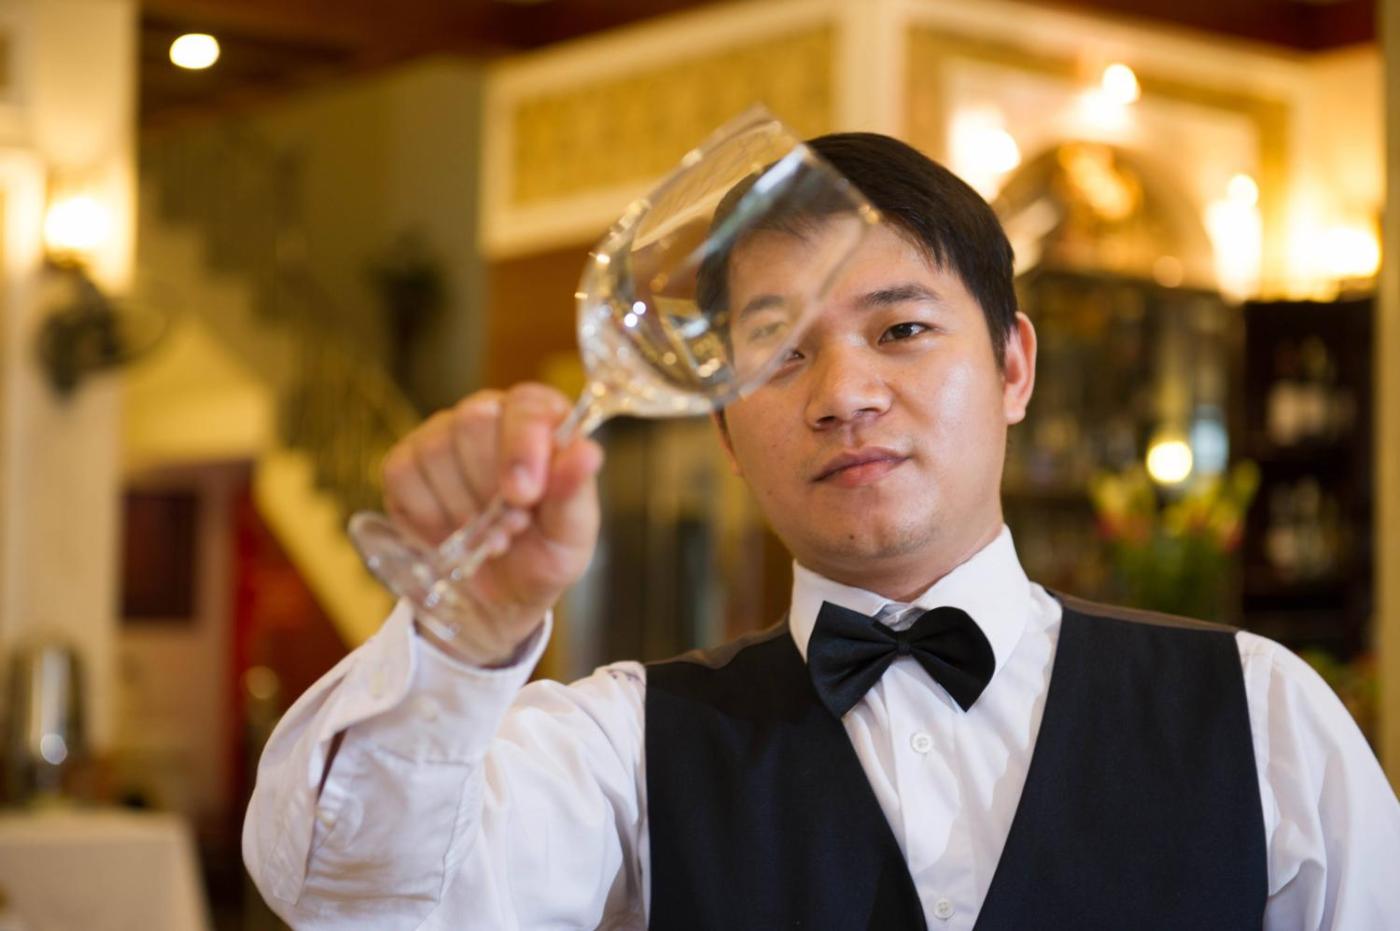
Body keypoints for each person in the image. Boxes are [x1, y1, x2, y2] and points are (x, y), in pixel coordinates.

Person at [243, 133, 1400, 930]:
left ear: (1012, 366)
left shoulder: (1258, 712)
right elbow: (354, 898)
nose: (841, 394)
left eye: (899, 330)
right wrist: (460, 636)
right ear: (722, 428)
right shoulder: (620, 744)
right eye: (776, 350)